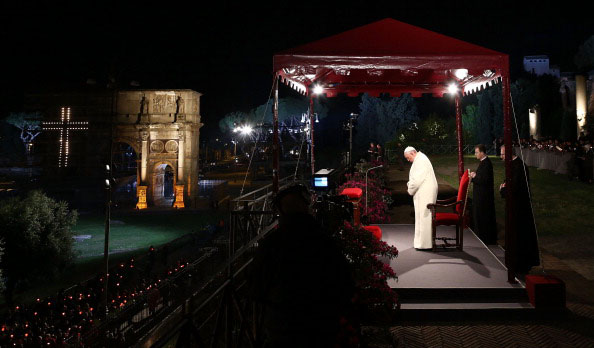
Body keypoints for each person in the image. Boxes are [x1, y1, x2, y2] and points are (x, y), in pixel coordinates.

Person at [249, 184, 355, 347]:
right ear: (306, 207)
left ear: (281, 211)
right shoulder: (322, 240)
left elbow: (256, 287)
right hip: (321, 325)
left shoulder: (271, 243)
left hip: (282, 326)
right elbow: (344, 281)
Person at [499, 145, 540, 274]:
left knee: (520, 235)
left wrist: (503, 189)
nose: (501, 157)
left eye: (503, 154)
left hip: (520, 207)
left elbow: (514, 188)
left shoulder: (518, 166)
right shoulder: (514, 165)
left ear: (509, 153)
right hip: (515, 205)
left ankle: (521, 264)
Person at [405, 147, 438, 250]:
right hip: (424, 191)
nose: (408, 160)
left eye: (408, 157)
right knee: (422, 217)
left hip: (426, 191)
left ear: (413, 153)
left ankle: (425, 244)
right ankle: (421, 243)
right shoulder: (420, 159)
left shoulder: (421, 160)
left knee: (424, 217)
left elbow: (416, 180)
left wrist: (410, 189)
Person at [470, 144, 497, 244]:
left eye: (477, 152)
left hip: (484, 197)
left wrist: (474, 177)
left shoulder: (487, 164)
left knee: (483, 217)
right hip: (481, 195)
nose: (475, 154)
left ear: (482, 153)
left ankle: (484, 237)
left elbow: (484, 179)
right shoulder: (483, 163)